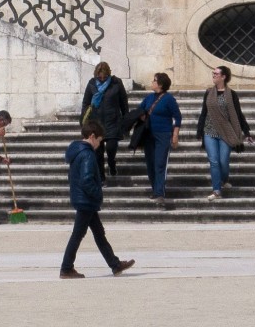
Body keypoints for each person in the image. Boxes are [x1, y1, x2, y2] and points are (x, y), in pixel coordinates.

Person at [58, 122, 135, 280]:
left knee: (99, 233)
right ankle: (66, 268)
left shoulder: (76, 151)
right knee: (78, 235)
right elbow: (87, 180)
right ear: (92, 136)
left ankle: (115, 264)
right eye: (99, 140)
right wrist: (98, 195)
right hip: (86, 200)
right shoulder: (87, 154)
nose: (100, 144)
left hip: (83, 199)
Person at [197, 65, 253, 200]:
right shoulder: (208, 93)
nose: (213, 75)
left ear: (223, 77)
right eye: (213, 73)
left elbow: (238, 114)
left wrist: (246, 132)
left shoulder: (232, 94)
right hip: (209, 131)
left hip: (226, 132)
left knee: (223, 161)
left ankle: (224, 179)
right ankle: (216, 190)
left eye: (216, 74)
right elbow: (204, 113)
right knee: (214, 161)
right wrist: (199, 130)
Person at [79, 61, 129, 182]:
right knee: (98, 153)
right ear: (96, 75)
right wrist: (84, 119)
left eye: (104, 77)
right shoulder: (92, 84)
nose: (102, 79)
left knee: (111, 147)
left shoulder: (116, 83)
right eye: (99, 77)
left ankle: (112, 163)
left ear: (108, 74)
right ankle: (101, 177)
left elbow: (123, 102)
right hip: (96, 123)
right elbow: (86, 103)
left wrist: (126, 119)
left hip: (113, 121)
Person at [138, 72, 181, 205]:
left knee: (160, 163)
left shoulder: (169, 99)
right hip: (148, 135)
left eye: (154, 80)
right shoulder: (149, 97)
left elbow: (178, 117)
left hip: (163, 135)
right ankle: (155, 190)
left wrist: (175, 135)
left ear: (160, 84)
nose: (152, 82)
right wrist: (141, 116)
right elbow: (140, 110)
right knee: (150, 164)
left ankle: (160, 193)